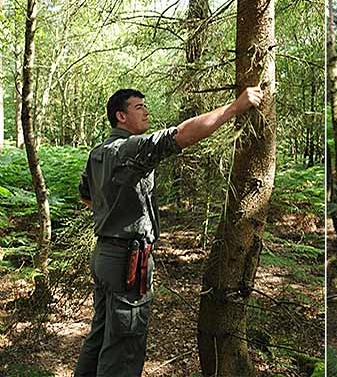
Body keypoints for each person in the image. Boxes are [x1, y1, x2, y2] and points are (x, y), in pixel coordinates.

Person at [74, 86, 263, 377]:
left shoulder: (99, 153)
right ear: (121, 116)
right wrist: (235, 108)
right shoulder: (130, 148)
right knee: (124, 344)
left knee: (99, 335)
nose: (146, 111)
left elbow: (87, 196)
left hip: (104, 256)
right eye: (139, 107)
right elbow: (182, 135)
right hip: (127, 261)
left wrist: (114, 211)